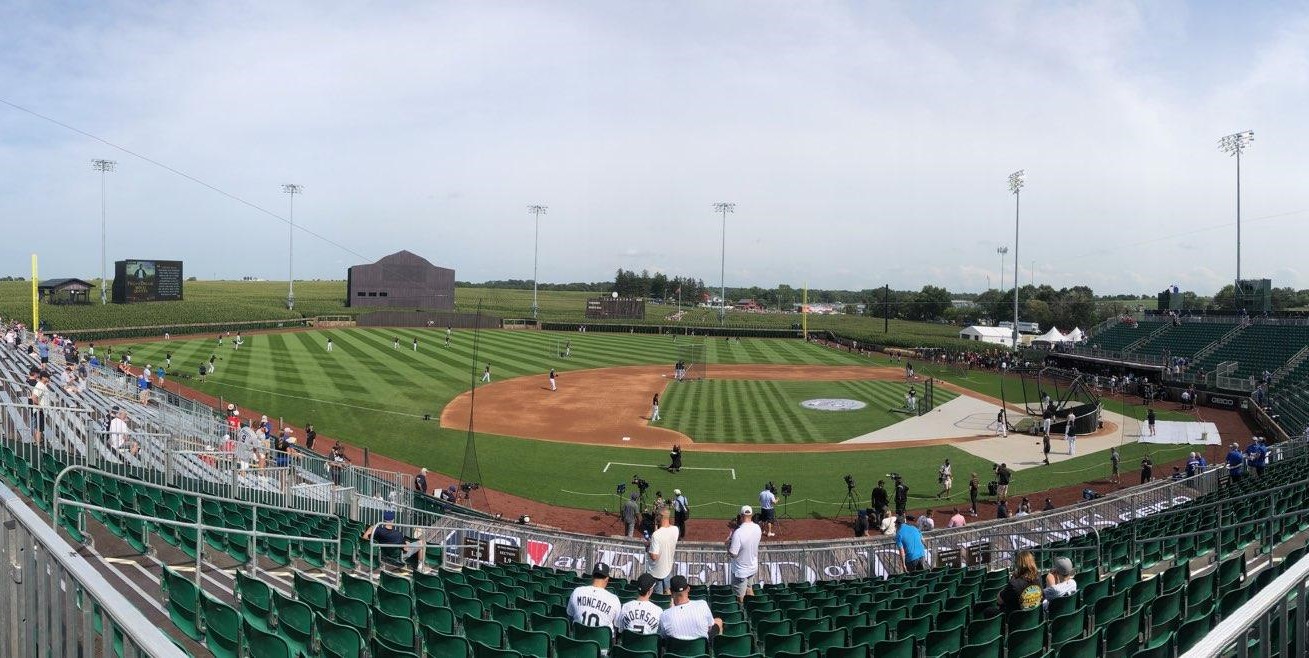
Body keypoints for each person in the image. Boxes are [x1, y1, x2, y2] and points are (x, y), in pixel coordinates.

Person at [977, 550, 1043, 617]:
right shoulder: (1038, 578)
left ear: (1018, 564)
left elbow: (1000, 600)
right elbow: (1042, 597)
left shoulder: (1014, 584)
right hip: (1033, 616)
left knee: (988, 611)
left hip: (1015, 618)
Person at [660, 575, 723, 641]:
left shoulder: (665, 614)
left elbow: (664, 636)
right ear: (688, 589)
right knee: (718, 621)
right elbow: (710, 625)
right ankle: (714, 649)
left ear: (671, 592)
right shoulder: (702, 604)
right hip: (700, 649)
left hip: (675, 650)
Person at [567, 563, 621, 634]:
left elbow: (570, 615)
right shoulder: (614, 599)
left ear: (592, 576)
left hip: (578, 641)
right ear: (607, 579)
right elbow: (618, 626)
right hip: (603, 643)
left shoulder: (577, 591)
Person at [726, 506, 761, 602]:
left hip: (740, 570)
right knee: (749, 589)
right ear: (751, 515)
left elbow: (733, 553)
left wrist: (728, 543)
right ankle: (753, 611)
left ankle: (742, 613)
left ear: (741, 516)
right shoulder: (757, 528)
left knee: (740, 597)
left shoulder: (738, 532)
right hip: (752, 566)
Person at [646, 509, 679, 594]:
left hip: (657, 572)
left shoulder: (656, 535)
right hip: (668, 568)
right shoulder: (675, 530)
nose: (656, 517)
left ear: (661, 517)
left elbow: (654, 556)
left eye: (657, 515)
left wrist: (648, 548)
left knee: (659, 598)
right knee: (667, 594)